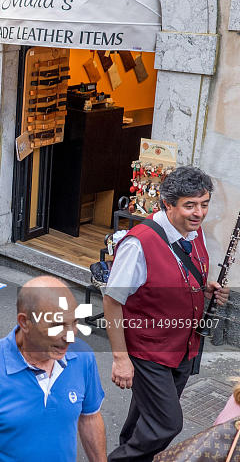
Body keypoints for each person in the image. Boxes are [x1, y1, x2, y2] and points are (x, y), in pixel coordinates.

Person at [103, 166, 229, 461]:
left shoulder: (192, 232)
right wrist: (121, 359)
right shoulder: (138, 244)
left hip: (183, 347)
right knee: (166, 423)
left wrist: (205, 289)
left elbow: (179, 276)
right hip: (148, 350)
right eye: (190, 205)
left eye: (204, 204)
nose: (199, 212)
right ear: (168, 204)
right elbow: (112, 300)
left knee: (145, 419)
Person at [0, 276, 107, 462]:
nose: (69, 337)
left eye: (73, 323)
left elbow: (89, 417)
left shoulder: (83, 357)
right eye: (57, 325)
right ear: (25, 322)